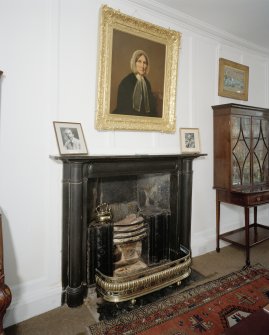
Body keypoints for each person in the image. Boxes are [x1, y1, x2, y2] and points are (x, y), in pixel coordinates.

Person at [113, 50, 157, 117]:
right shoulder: (126, 82)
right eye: (139, 61)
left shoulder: (147, 83)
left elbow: (150, 108)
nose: (142, 65)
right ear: (134, 63)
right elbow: (123, 108)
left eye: (145, 63)